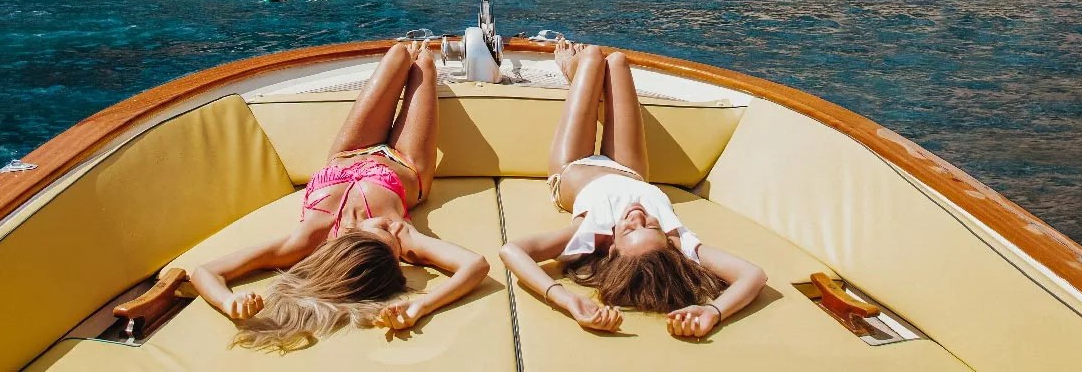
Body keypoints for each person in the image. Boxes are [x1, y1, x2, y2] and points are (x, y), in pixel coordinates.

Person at [190, 42, 488, 351]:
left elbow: (205, 271)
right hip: (406, 163)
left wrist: (229, 301)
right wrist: (420, 307)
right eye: (394, 241)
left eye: (384, 230)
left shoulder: (307, 239)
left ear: (349, 239)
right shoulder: (404, 238)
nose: (394, 228)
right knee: (423, 62)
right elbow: (475, 265)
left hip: (349, 151)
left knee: (398, 53)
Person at [500, 38, 765, 339]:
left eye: (628, 229)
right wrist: (713, 312)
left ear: (611, 248)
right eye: (650, 226)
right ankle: (587, 87)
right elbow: (753, 275)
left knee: (592, 57)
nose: (637, 216)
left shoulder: (591, 235)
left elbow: (512, 251)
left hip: (572, 166)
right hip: (630, 170)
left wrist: (566, 299)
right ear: (666, 244)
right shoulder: (679, 242)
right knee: (617, 62)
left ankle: (575, 74)